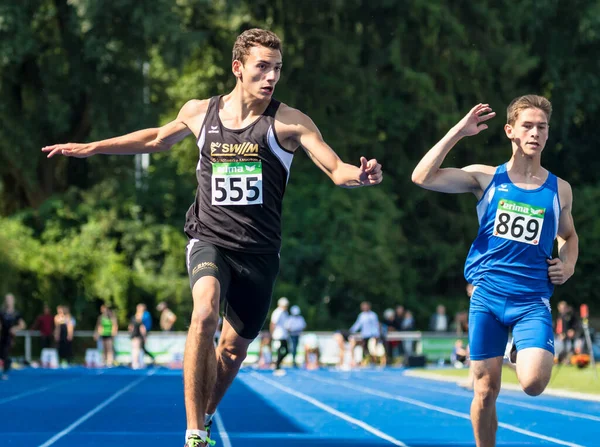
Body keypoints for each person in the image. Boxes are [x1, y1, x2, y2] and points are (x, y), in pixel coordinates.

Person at [42, 28, 383, 447]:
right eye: (262, 67)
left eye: (277, 68)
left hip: (259, 253)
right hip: (209, 239)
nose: (271, 76)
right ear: (238, 68)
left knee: (232, 351)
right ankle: (194, 433)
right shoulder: (201, 112)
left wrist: (359, 176)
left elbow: (335, 168)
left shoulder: (289, 122)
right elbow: (154, 139)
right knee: (203, 313)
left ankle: (204, 415)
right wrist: (92, 147)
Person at [412, 95, 578, 447]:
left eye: (542, 127)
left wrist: (568, 263)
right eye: (527, 126)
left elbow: (569, 236)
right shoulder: (485, 178)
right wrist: (459, 131)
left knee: (533, 384)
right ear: (510, 131)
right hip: (487, 297)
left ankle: (518, 346)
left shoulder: (559, 189)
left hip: (532, 300)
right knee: (485, 391)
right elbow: (421, 176)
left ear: (548, 135)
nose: (535, 132)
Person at [0, 294, 26, 380]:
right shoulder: (2, 312)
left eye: (10, 299)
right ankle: (6, 365)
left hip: (10, 337)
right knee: (1, 353)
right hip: (2, 335)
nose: (9, 301)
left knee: (5, 353)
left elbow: (22, 325)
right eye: (7, 299)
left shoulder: (16, 313)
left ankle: (4, 371)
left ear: (13, 300)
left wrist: (15, 328)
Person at [349, 301, 381, 366]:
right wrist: (350, 331)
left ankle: (375, 363)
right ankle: (370, 362)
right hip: (365, 335)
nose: (364, 308)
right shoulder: (361, 315)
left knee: (372, 349)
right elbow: (357, 324)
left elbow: (376, 325)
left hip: (373, 335)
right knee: (366, 350)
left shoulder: (373, 315)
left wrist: (377, 335)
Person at [270, 297, 290, 376]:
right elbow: (273, 323)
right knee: (279, 351)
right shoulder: (277, 312)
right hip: (278, 335)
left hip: (284, 335)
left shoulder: (285, 313)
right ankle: (277, 367)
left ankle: (277, 364)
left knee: (287, 351)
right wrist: (272, 334)